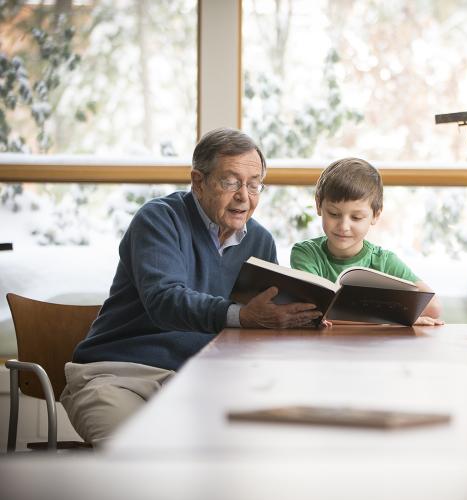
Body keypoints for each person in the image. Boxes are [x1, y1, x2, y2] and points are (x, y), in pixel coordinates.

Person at [61, 128, 322, 446]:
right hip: (121, 375)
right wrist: (242, 316)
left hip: (202, 384)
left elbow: (262, 324)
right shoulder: (159, 220)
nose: (244, 196)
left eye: (254, 185)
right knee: (134, 465)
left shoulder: (259, 240)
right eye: (230, 182)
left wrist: (303, 320)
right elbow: (164, 300)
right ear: (198, 182)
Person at [290, 157, 443, 325]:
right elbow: (314, 313)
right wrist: (392, 319)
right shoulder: (305, 253)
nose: (344, 226)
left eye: (356, 217)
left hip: (373, 349)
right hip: (321, 348)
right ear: (319, 205)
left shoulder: (384, 261)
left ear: (375, 215)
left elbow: (433, 307)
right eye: (334, 214)